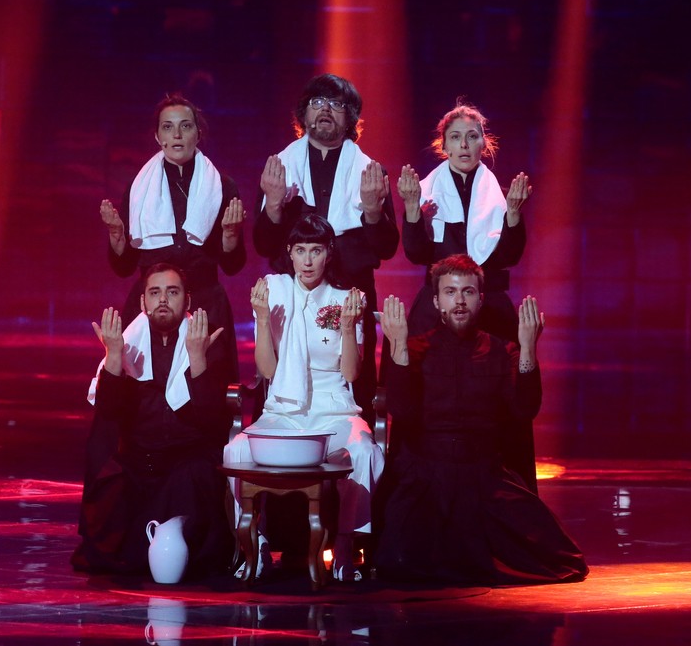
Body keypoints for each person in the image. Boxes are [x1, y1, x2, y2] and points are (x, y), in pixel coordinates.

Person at [373, 255, 588, 585]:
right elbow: (401, 411)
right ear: (436, 301)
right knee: (400, 561)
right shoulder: (414, 348)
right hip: (428, 478)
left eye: (468, 292)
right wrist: (398, 346)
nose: (459, 301)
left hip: (485, 477)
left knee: (560, 560)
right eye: (450, 292)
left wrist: (528, 348)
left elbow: (525, 410)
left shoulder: (502, 350)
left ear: (481, 299)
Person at [225, 214, 385, 580]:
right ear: (290, 253)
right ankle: (256, 543)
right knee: (235, 450)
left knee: (363, 450)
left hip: (333, 408)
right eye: (300, 250)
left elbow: (351, 374)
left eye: (316, 250)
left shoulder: (347, 297)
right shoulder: (274, 290)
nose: (308, 260)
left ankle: (345, 544)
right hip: (283, 409)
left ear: (329, 253)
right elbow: (267, 370)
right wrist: (262, 318)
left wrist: (349, 327)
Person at [393, 100, 536, 488]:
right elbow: (417, 254)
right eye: (455, 137)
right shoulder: (425, 192)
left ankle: (504, 491)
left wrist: (514, 214)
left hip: (488, 307)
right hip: (436, 308)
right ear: (443, 145)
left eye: (472, 137)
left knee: (501, 398)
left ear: (483, 144)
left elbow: (508, 256)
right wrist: (411, 209)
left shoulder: (498, 195)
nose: (464, 145)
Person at [73, 264, 235, 578]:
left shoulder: (207, 340)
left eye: (172, 292)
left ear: (187, 301)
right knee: (110, 476)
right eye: (155, 292)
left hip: (186, 463)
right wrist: (115, 355)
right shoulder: (127, 342)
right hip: (138, 463)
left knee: (194, 477)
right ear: (143, 301)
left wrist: (197, 357)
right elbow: (108, 413)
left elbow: (212, 420)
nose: (163, 300)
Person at [253, 74, 399, 422]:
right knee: (280, 374)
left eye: (336, 104)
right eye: (317, 102)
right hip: (293, 292)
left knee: (356, 380)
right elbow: (263, 245)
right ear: (303, 114)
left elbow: (387, 248)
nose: (325, 110)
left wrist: (373, 211)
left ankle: (355, 445)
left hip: (351, 291)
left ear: (351, 119)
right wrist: (273, 205)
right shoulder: (281, 168)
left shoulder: (369, 171)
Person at [100, 93, 246, 392]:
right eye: (168, 127)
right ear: (158, 136)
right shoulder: (139, 188)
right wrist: (117, 237)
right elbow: (124, 267)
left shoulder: (222, 186)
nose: (177, 134)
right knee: (143, 395)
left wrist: (230, 235)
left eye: (185, 126)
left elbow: (233, 266)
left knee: (206, 394)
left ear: (198, 133)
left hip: (205, 304)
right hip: (153, 305)